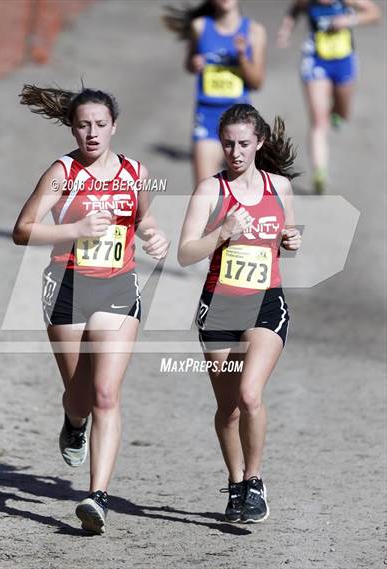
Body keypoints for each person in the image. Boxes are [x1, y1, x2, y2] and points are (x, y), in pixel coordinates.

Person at [13, 85, 168, 534]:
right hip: (66, 288)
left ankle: (97, 495)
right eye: (83, 125)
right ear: (73, 128)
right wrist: (75, 228)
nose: (92, 133)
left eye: (101, 125)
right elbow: (23, 231)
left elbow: (144, 220)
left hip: (118, 289)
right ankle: (72, 421)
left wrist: (154, 237)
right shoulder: (62, 172)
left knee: (106, 395)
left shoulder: (135, 171)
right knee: (80, 397)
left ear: (114, 127)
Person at [178, 103, 301, 523]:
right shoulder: (210, 191)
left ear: (259, 143)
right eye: (228, 144)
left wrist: (291, 239)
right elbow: (185, 253)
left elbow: (290, 231)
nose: (235, 152)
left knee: (250, 394)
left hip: (266, 302)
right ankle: (235, 483)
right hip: (219, 306)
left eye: (244, 144)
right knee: (228, 409)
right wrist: (222, 232)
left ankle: (253, 481)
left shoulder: (279, 187)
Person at [277, 0, 382, 194]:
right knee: (318, 121)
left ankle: (336, 113)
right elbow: (293, 11)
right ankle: (320, 173)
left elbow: (375, 14)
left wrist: (350, 19)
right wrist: (285, 31)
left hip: (344, 61)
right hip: (316, 60)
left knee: (343, 114)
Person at [163, 0, 266, 185]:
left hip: (240, 120)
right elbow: (189, 63)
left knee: (241, 190)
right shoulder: (199, 27)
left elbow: (256, 83)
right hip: (207, 116)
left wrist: (242, 57)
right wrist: (194, 64)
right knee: (205, 190)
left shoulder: (254, 31)